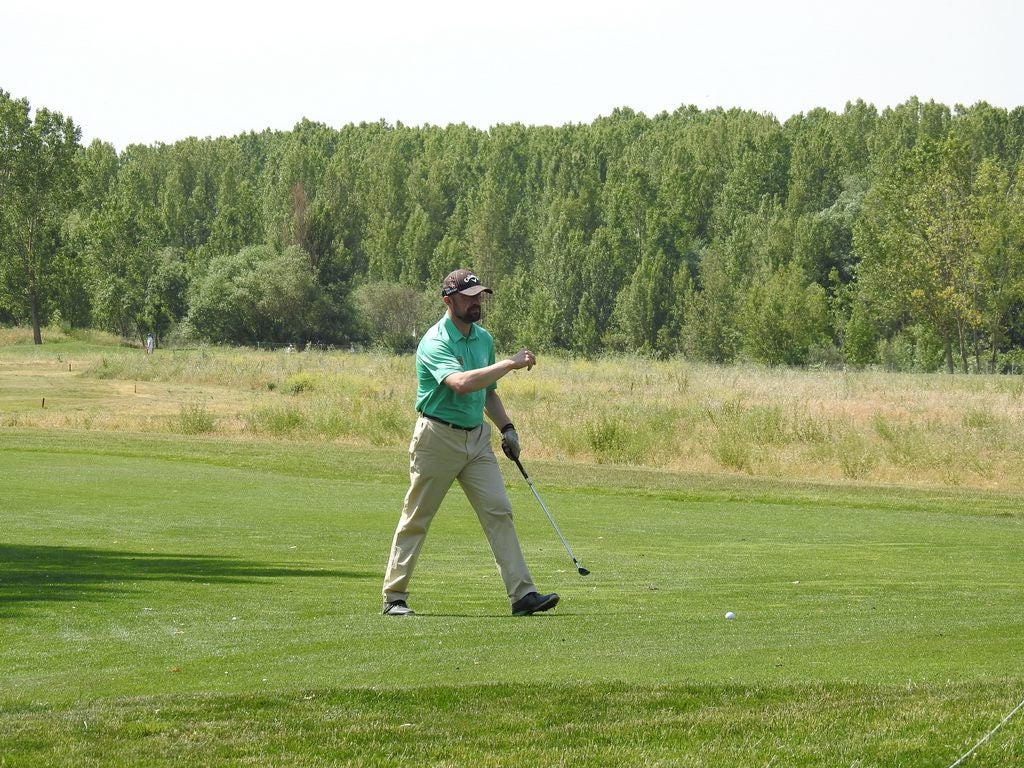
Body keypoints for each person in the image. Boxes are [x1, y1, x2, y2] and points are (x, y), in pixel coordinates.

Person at [382, 269, 560, 617]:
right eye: (469, 296)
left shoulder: (483, 339)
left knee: (499, 511)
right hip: (437, 437)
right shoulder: (435, 341)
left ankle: (523, 595)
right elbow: (461, 383)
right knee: (417, 517)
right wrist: (510, 364)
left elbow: (487, 392)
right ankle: (394, 596)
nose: (477, 301)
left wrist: (508, 427)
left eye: (479, 295)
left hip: (477, 439)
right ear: (449, 301)